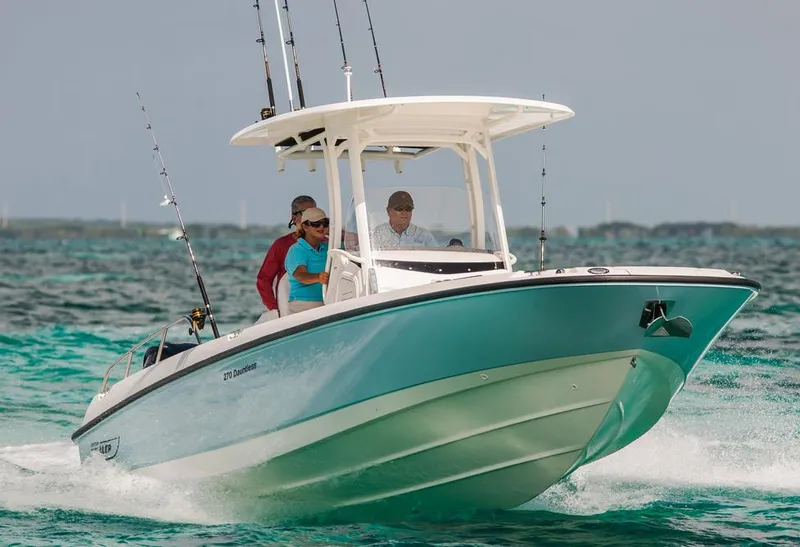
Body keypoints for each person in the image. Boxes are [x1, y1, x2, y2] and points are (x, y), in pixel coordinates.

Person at [256, 195, 316, 321]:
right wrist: (274, 309)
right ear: (294, 218)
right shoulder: (281, 245)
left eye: (315, 212)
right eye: (306, 212)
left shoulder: (327, 243)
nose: (312, 216)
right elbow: (264, 279)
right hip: (289, 311)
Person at [284, 207, 330, 315]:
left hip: (327, 303)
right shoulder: (296, 250)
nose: (321, 226)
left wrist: (334, 232)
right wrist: (318, 277)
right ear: (304, 226)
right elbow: (301, 275)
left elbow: (353, 244)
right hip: (302, 306)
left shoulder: (328, 248)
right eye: (316, 223)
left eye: (325, 223)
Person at [371, 190, 437, 248]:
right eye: (399, 208)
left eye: (408, 208)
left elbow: (436, 259)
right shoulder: (376, 235)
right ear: (388, 211)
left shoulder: (425, 236)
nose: (404, 212)